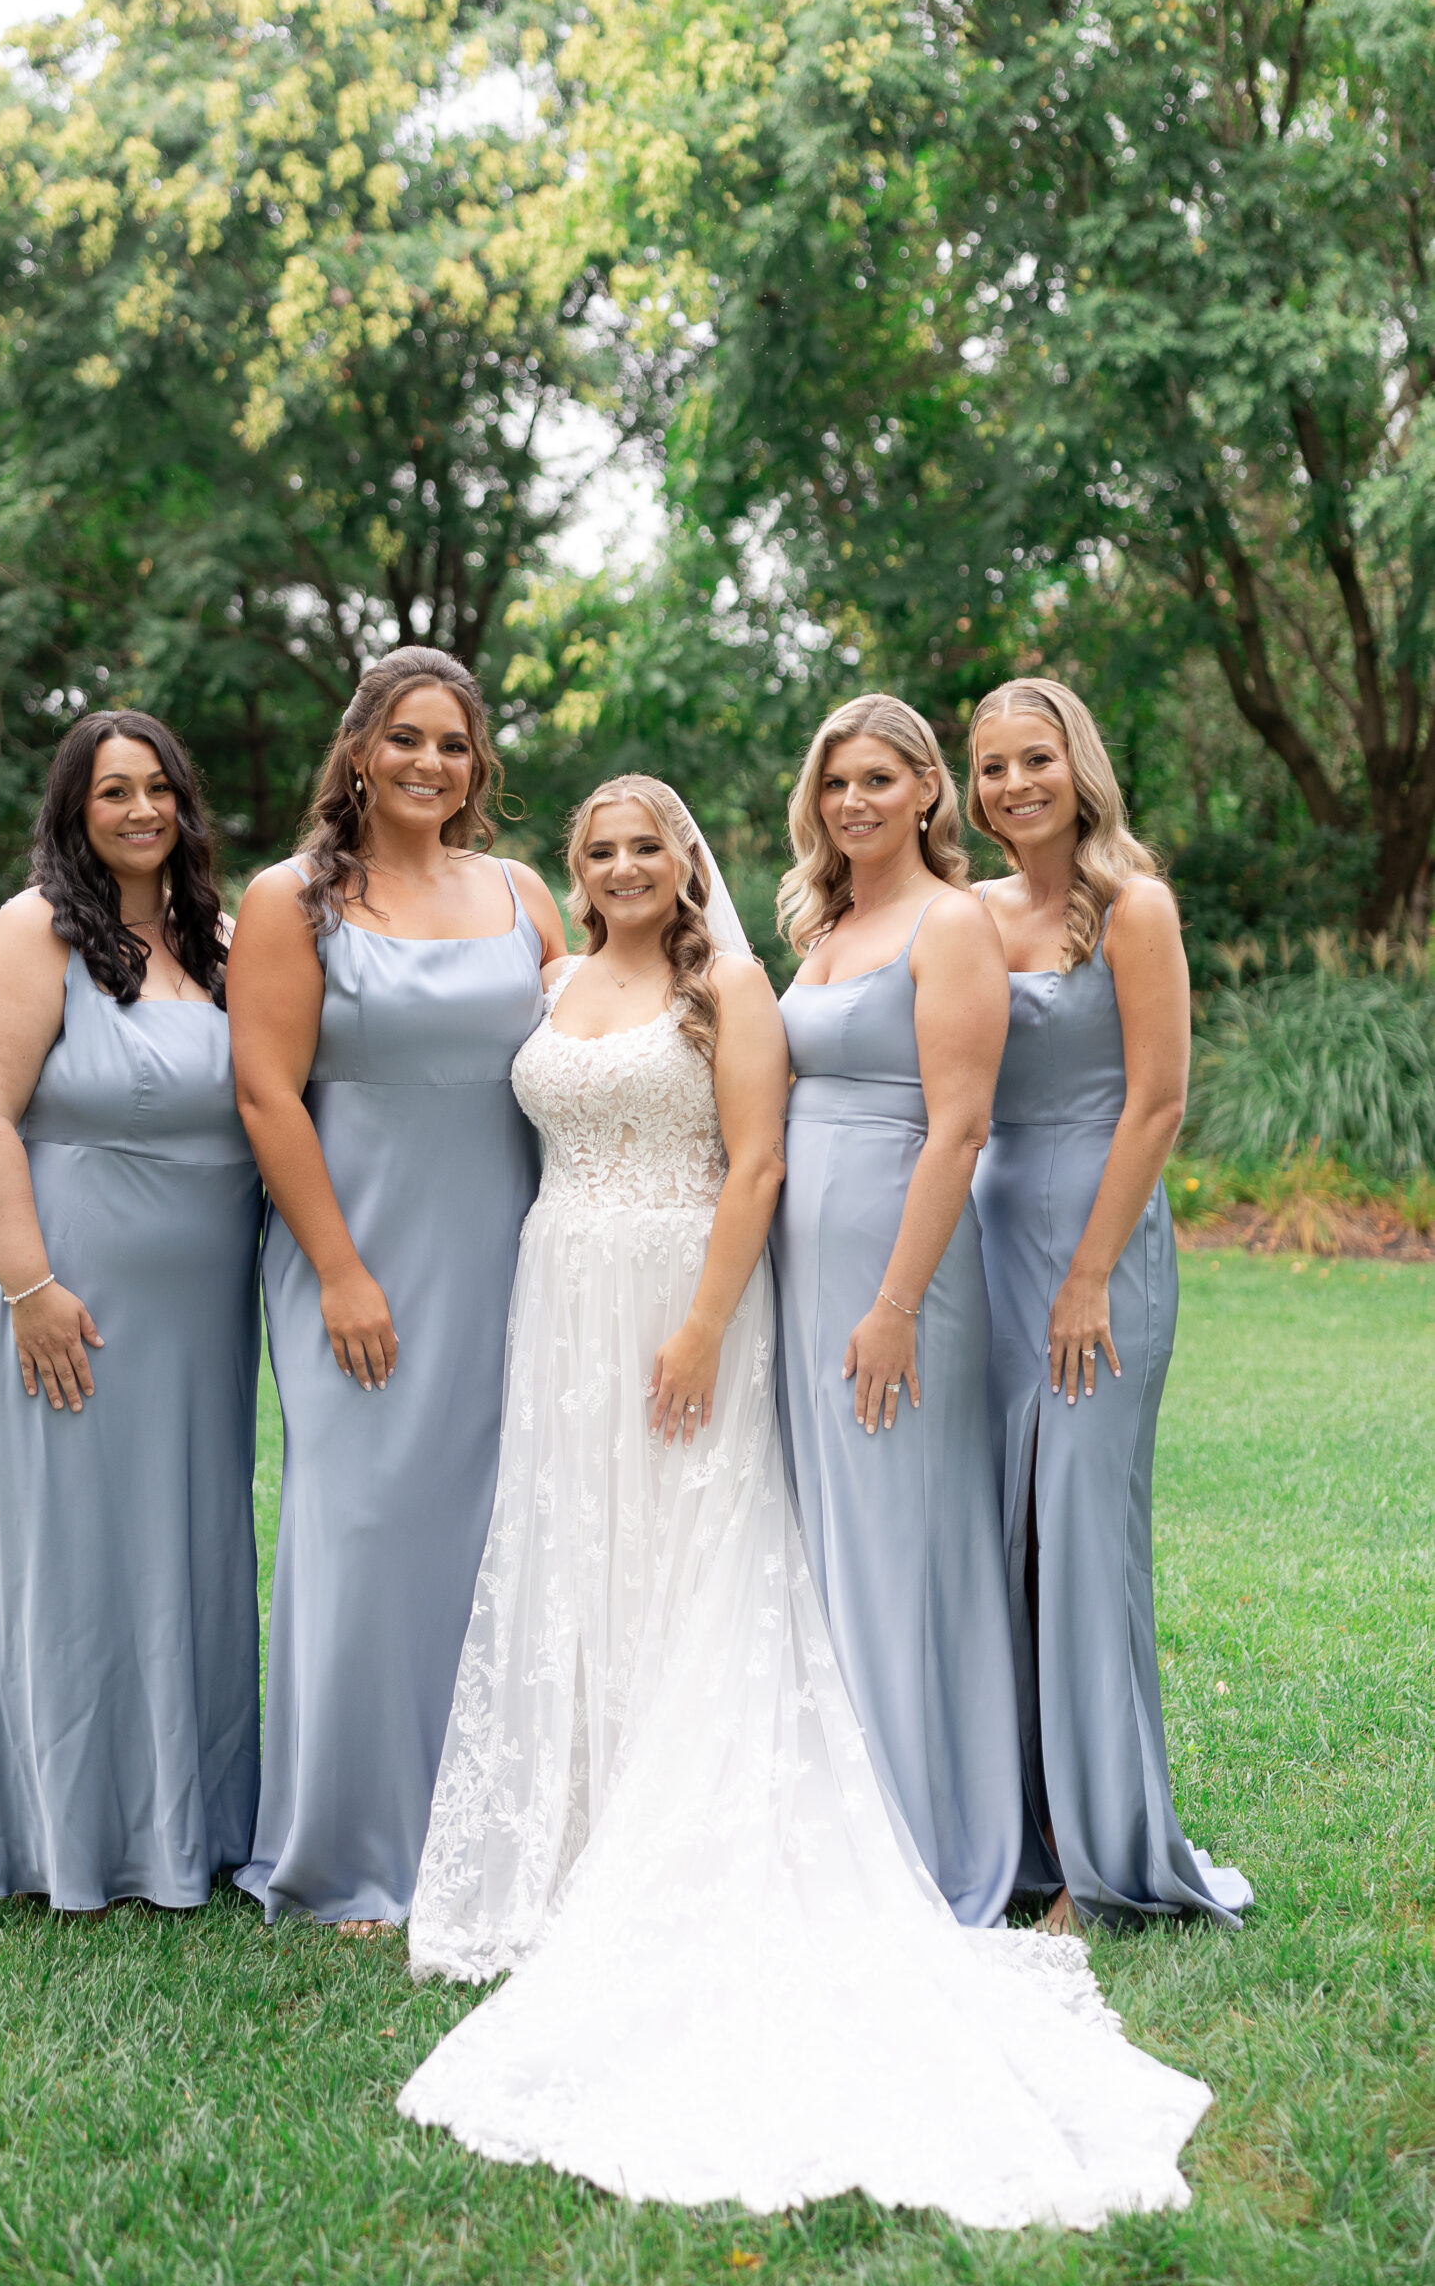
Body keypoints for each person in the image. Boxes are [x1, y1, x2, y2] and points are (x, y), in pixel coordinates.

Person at [399, 776, 1213, 2227]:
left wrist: (714, 1321)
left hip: (707, 1288)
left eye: (649, 841)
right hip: (562, 1295)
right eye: (600, 848)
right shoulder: (572, 968)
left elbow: (773, 1153)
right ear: (574, 871)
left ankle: (971, 1830)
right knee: (586, 1552)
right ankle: (582, 1818)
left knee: (734, 1553)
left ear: (687, 857)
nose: (625, 863)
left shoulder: (739, 980)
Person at [228, 646, 567, 1928]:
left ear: (478, 765)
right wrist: (338, 1270)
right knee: (363, 1532)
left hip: (509, 1251)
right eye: (407, 739)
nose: (432, 762)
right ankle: (352, 1853)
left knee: (494, 1539)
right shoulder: (294, 898)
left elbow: (599, 1036)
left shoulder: (524, 892)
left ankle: (483, 1832)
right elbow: (267, 1092)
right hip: (354, 1253)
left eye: (455, 743)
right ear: (359, 751)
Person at [0, 710, 261, 1912]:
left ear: (186, 803)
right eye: (112, 791)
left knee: (185, 1556)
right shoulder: (39, 929)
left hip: (196, 1326)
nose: (140, 810)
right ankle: (66, 1840)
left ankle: (190, 1827)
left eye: (159, 788)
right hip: (58, 1301)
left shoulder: (220, 938)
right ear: (75, 811)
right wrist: (30, 1288)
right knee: (70, 1566)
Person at [968, 676, 1251, 1930]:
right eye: (989, 768)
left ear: (1078, 763)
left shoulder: (1133, 907)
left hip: (1102, 1249)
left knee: (1084, 1542)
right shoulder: (968, 915)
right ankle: (1021, 1838)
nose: (1014, 784)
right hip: (986, 1237)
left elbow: (1157, 1102)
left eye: (1035, 758)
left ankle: (1107, 1854)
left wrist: (1088, 1276)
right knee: (1003, 1547)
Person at [771, 694, 1022, 1924]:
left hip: (897, 1274)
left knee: (903, 1539)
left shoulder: (951, 921)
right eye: (835, 783)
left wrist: (897, 1303)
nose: (855, 801)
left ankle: (929, 1825)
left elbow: (961, 1123)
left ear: (929, 789)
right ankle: (841, 1810)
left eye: (879, 778)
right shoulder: (829, 921)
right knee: (829, 1543)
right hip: (802, 1276)